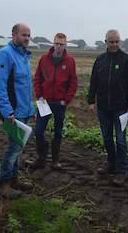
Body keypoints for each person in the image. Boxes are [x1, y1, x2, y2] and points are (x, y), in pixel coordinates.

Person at [87, 29, 128, 185]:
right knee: (107, 138)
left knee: (121, 140)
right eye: (112, 42)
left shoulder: (126, 60)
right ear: (106, 42)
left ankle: (121, 171)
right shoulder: (100, 60)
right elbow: (94, 81)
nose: (114, 44)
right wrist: (91, 101)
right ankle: (111, 163)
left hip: (120, 108)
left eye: (117, 41)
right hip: (103, 106)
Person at [0, 23, 35, 198]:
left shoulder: (24, 56)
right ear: (14, 35)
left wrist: (30, 109)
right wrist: (7, 111)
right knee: (13, 148)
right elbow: (0, 86)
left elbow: (25, 86)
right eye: (23, 35)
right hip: (12, 113)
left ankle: (14, 180)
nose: (26, 38)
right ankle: (4, 184)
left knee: (18, 148)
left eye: (28, 35)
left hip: (23, 110)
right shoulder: (5, 55)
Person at [32, 33, 78, 170]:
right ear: (53, 43)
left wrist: (66, 100)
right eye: (56, 43)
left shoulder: (70, 61)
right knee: (39, 131)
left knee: (58, 132)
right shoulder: (44, 59)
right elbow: (37, 78)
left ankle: (55, 160)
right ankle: (42, 156)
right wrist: (39, 95)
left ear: (65, 45)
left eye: (61, 44)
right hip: (44, 101)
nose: (58, 46)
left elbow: (73, 82)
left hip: (60, 103)